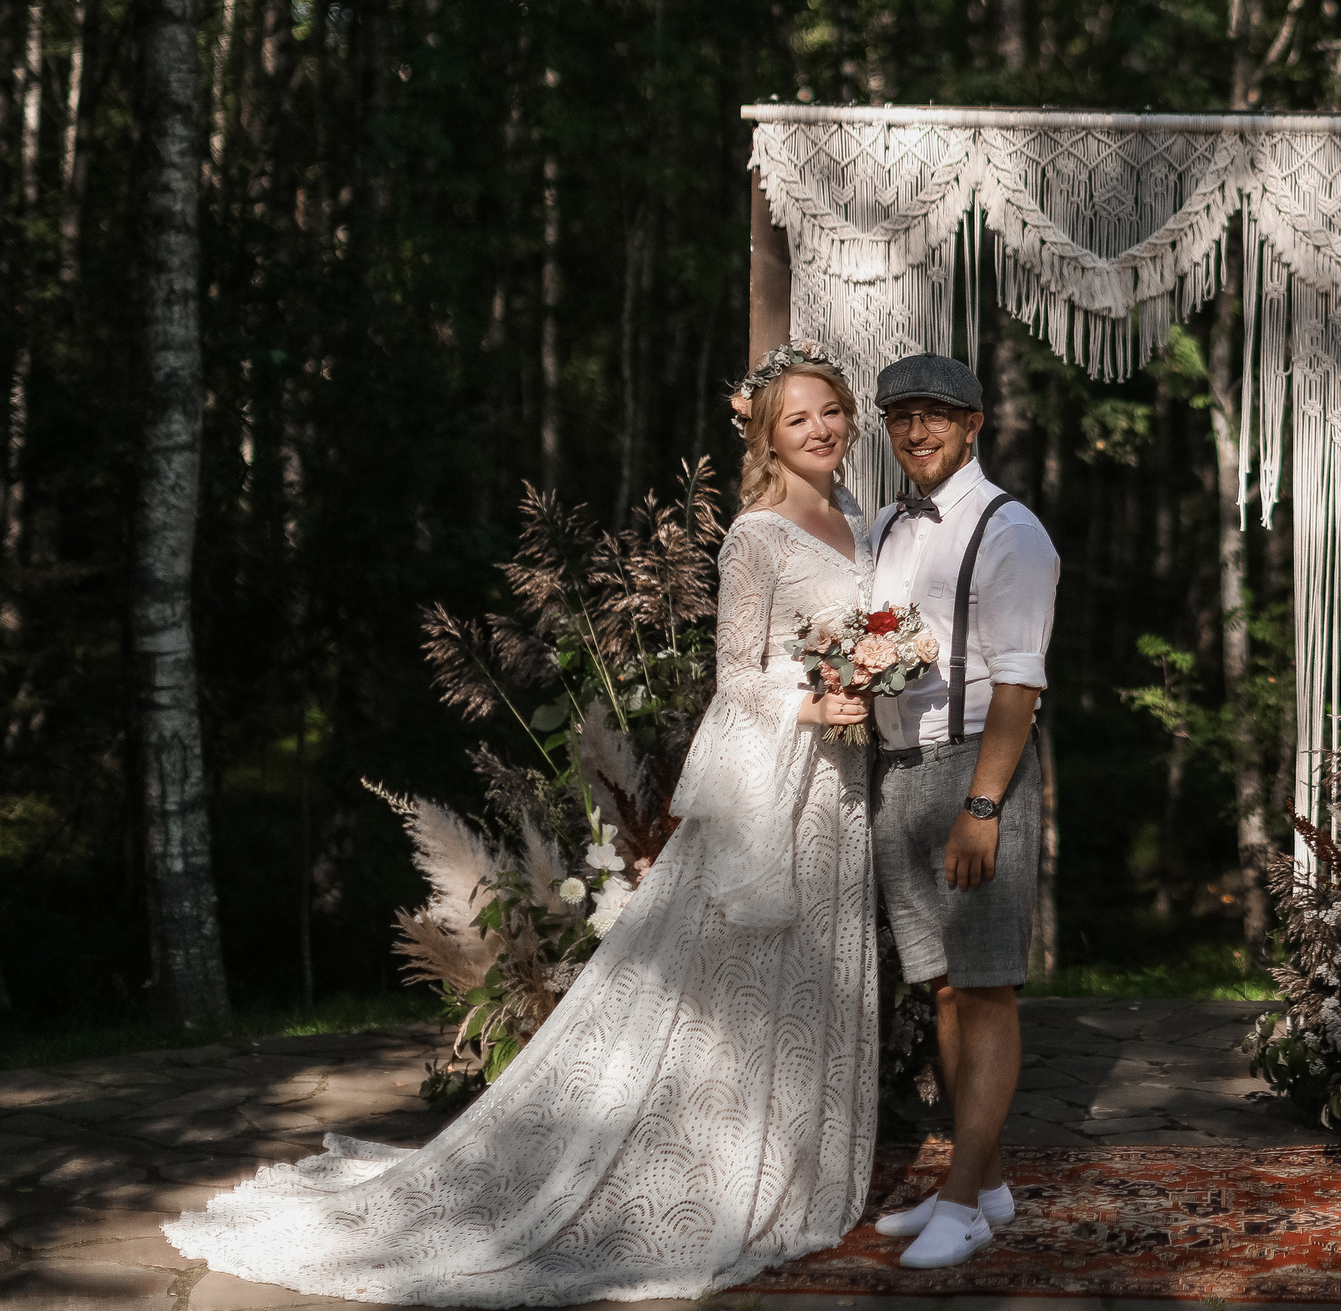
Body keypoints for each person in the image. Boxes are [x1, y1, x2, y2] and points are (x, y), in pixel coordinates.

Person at [166, 342, 883, 1307]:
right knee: (736, 984)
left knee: (809, 977)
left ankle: (794, 1159)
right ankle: (710, 1166)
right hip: (779, 786)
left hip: (838, 789)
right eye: (799, 418)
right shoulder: (755, 535)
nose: (822, 429)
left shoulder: (853, 521)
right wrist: (814, 705)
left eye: (831, 411)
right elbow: (736, 677)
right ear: (767, 434)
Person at [861, 353, 1060, 1271]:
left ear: (974, 422)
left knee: (985, 985)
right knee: (943, 984)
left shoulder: (1010, 528)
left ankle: (959, 1197)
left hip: (980, 766)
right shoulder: (887, 528)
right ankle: (983, 1184)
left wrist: (984, 804)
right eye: (901, 415)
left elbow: (1019, 680)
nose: (916, 430)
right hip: (903, 770)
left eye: (936, 414)